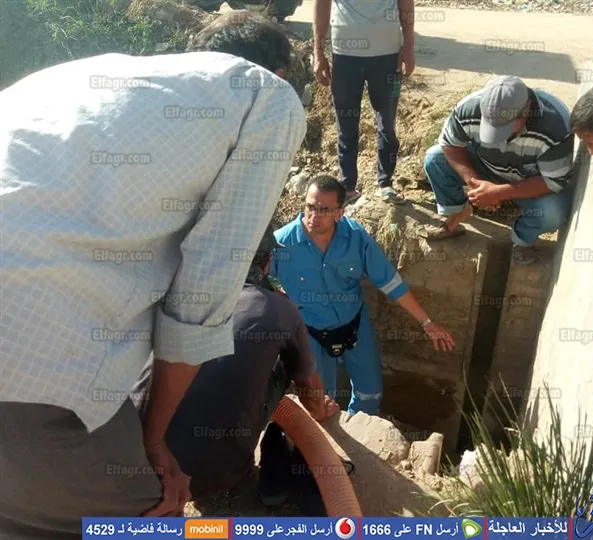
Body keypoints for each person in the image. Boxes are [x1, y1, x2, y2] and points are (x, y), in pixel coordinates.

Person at [0, 18, 306, 538]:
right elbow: (202, 294)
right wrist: (152, 442)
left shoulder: (73, 78)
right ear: (279, 72)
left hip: (33, 352)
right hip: (35, 371)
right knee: (149, 512)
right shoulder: (268, 98)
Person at [131, 226, 339, 505]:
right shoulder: (278, 308)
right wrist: (320, 409)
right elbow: (309, 389)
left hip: (134, 457)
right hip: (209, 478)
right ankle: (237, 462)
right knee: (281, 360)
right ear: (267, 262)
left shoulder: (178, 288)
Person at [270, 175, 456, 415]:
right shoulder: (282, 244)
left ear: (339, 212)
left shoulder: (355, 237)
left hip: (356, 329)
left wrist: (426, 322)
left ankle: (362, 425)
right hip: (311, 336)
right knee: (320, 400)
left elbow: (389, 281)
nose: (314, 216)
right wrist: (278, 300)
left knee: (370, 391)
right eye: (310, 207)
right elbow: (251, 279)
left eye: (324, 210)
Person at [421, 75, 575, 264]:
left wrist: (498, 193)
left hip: (528, 183)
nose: (499, 136)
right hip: (486, 167)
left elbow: (553, 181)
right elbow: (449, 143)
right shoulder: (469, 108)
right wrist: (476, 184)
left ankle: (522, 240)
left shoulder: (556, 125)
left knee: (553, 212)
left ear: (526, 110)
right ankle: (458, 213)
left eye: (505, 127)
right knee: (435, 158)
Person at [312, 0, 416, 206]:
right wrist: (318, 53)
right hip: (345, 55)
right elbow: (322, 4)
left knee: (387, 123)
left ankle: (385, 184)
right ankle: (347, 187)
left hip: (388, 56)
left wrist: (409, 47)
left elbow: (406, 5)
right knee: (346, 125)